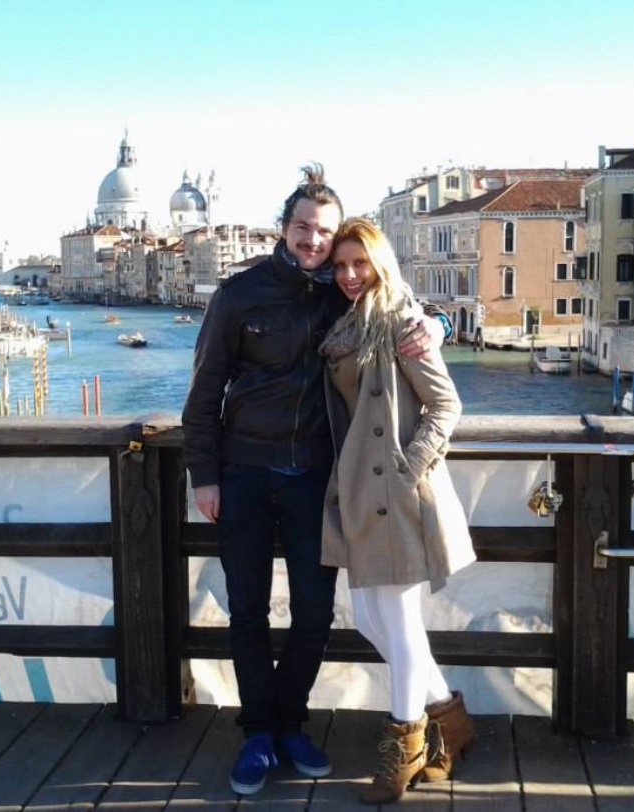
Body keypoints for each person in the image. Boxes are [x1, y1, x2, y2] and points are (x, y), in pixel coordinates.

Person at [181, 165, 445, 796]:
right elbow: (203, 391)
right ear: (284, 227)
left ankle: (292, 724)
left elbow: (396, 298)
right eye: (303, 227)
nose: (312, 240)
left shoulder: (343, 291)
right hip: (243, 473)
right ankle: (258, 735)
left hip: (317, 480)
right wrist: (205, 476)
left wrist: (436, 323)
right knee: (245, 610)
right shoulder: (238, 295)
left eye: (323, 232)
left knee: (315, 613)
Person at [319, 217, 477, 804]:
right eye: (341, 265)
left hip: (397, 495)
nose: (350, 274)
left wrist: (408, 467)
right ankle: (451, 725)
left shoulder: (401, 324)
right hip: (359, 494)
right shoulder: (344, 328)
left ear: (381, 263)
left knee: (403, 626)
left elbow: (446, 405)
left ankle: (402, 750)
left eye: (360, 263)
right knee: (368, 621)